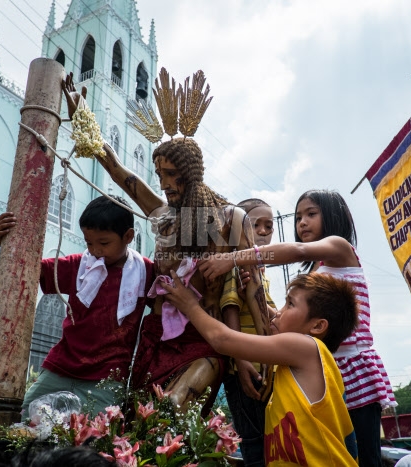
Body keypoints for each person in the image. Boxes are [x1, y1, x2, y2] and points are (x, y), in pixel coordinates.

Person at [62, 71, 269, 410]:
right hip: (156, 336)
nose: (163, 183)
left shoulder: (231, 219)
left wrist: (263, 355)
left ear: (191, 173)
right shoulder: (162, 216)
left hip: (206, 338)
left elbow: (253, 289)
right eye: (159, 175)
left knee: (174, 409)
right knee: (143, 426)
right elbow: (115, 168)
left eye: (171, 174)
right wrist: (81, 114)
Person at [199, 189, 397, 467]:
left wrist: (231, 258)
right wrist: (254, 300)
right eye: (298, 217)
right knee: (332, 453)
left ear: (335, 216)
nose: (302, 222)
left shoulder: (340, 250)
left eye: (311, 214)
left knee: (363, 457)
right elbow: (284, 319)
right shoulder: (315, 271)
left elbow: (297, 251)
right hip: (322, 372)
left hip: (353, 370)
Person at [162, 271, 359, 466]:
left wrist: (190, 305)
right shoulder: (302, 365)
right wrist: (252, 299)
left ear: (317, 326)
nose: (280, 311)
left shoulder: (306, 347)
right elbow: (278, 318)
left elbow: (222, 339)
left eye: (290, 304)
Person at [0, 195, 154, 417]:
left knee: (98, 442)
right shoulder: (78, 265)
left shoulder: (146, 272)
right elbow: (30, 268)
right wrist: (6, 241)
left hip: (108, 379)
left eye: (104, 243)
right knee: (25, 421)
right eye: (89, 242)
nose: (95, 250)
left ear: (128, 236)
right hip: (61, 366)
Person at [219, 198, 276, 467]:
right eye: (256, 225)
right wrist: (240, 361)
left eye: (269, 226)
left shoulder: (258, 271)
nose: (264, 231)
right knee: (253, 444)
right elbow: (230, 309)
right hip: (244, 371)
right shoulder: (236, 264)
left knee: (268, 442)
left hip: (262, 369)